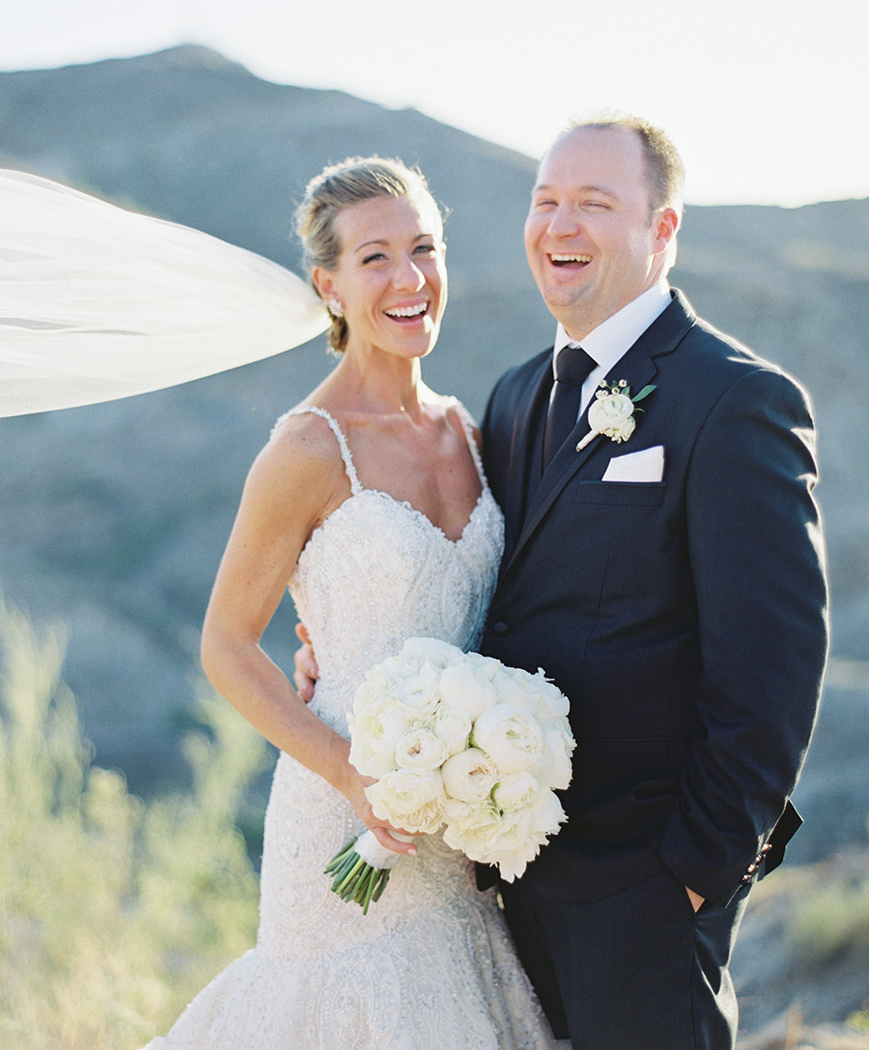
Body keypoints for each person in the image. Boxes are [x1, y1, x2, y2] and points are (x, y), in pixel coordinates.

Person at [297, 117, 829, 1049]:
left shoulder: (735, 400)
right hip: (497, 886)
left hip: (644, 892)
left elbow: (773, 665)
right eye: (546, 202)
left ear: (662, 230)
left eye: (595, 203)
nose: (560, 225)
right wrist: (344, 653)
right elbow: (483, 584)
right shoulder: (511, 397)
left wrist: (695, 874)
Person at [139, 156, 560, 1049]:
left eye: (424, 248)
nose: (409, 280)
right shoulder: (305, 448)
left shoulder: (474, 434)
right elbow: (226, 645)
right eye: (375, 259)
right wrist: (349, 772)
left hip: (459, 825)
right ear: (328, 287)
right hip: (342, 820)